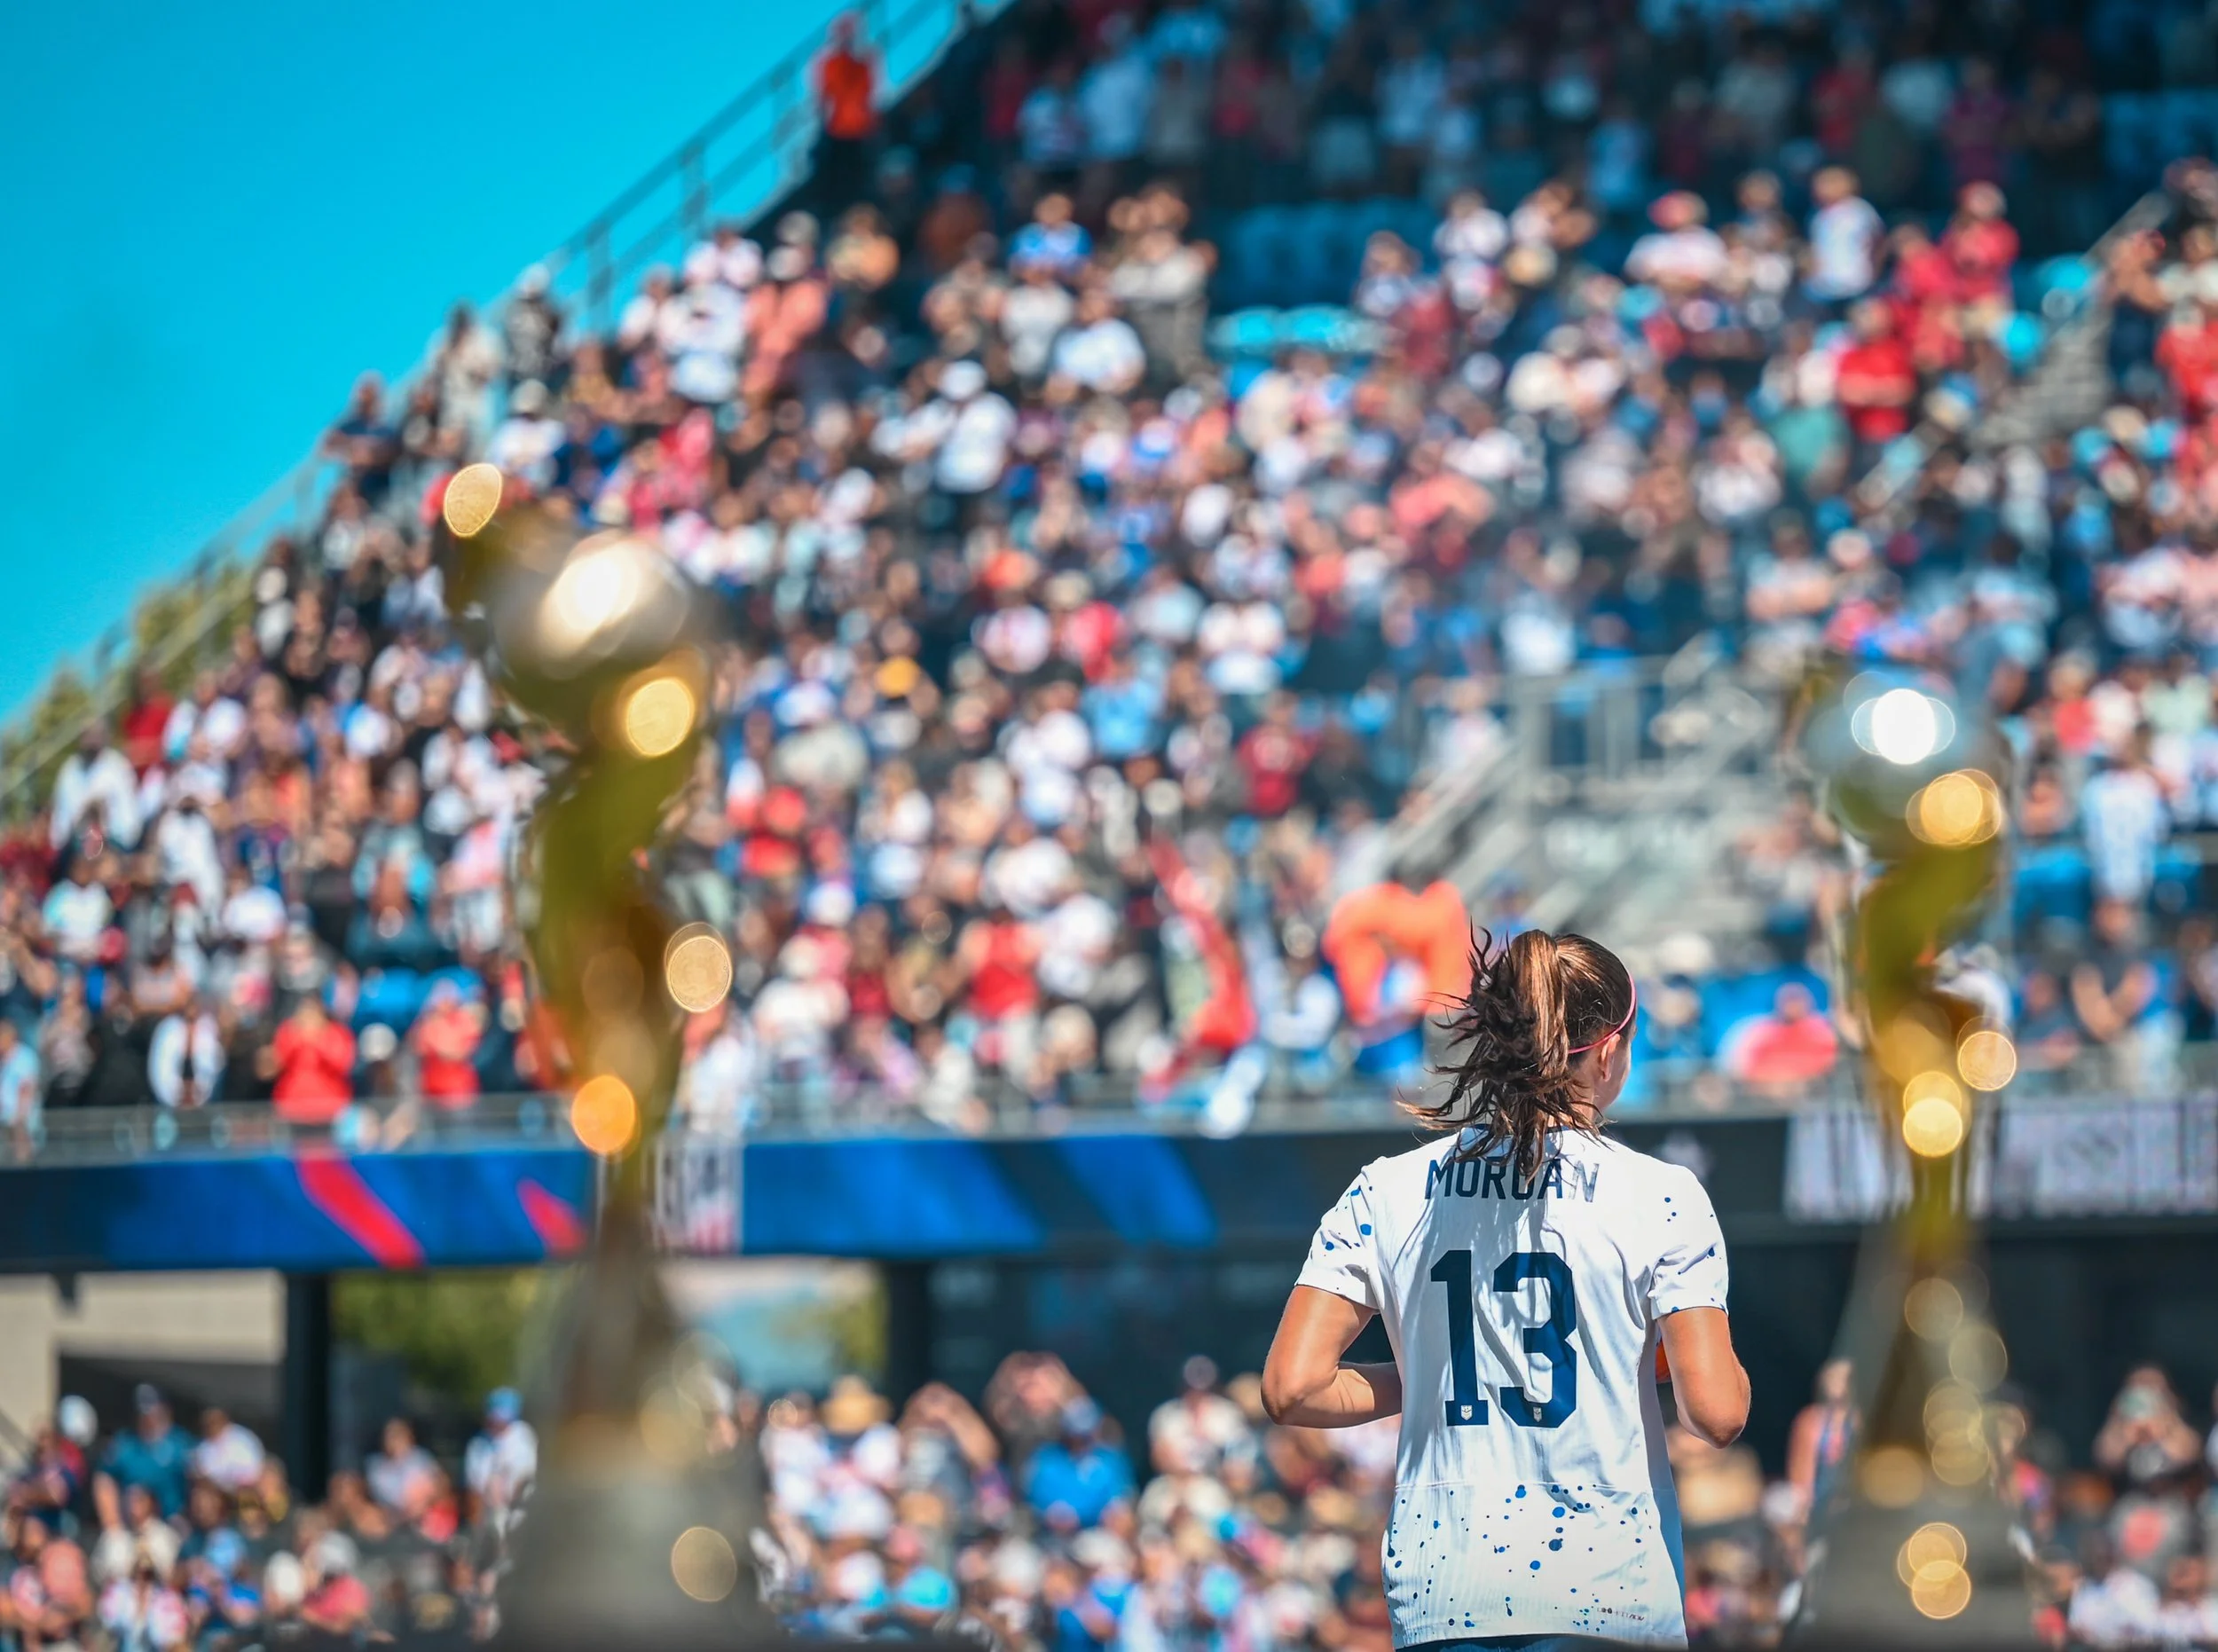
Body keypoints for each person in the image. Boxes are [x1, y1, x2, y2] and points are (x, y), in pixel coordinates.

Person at [1261, 927, 1749, 1648]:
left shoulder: (1387, 1190)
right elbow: (1718, 1414)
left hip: (1442, 1599)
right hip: (1611, 1597)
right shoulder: (1663, 1194)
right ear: (1610, 1051)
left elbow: (1292, 1388)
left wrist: (1437, 1373)